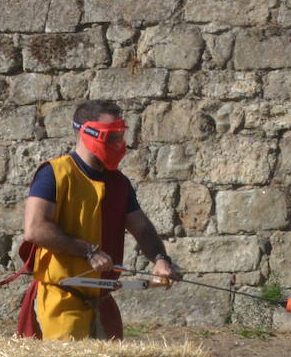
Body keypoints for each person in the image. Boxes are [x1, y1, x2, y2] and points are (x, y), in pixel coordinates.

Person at [13, 100, 181, 339]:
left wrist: (161, 259)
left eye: (120, 136)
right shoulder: (54, 174)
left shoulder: (118, 183)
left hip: (101, 302)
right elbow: (35, 229)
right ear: (86, 132)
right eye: (111, 137)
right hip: (60, 300)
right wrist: (88, 251)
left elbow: (141, 228)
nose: (118, 144)